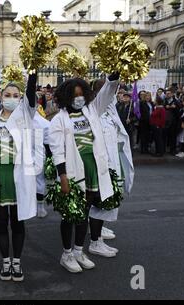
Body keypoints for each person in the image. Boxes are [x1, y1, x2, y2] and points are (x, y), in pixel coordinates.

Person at [49, 72, 119, 274]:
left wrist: (112, 80)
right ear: (66, 97)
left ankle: (79, 251)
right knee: (70, 215)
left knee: (85, 212)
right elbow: (57, 152)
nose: (79, 98)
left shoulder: (91, 111)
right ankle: (67, 253)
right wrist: (63, 178)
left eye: (82, 94)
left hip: (92, 168)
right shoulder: (58, 120)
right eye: (74, 95)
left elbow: (105, 95)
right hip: (72, 171)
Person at [0, 71, 40, 282]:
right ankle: (5, 261)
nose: (11, 98)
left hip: (17, 175)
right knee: (1, 221)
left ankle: (17, 262)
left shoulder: (25, 118)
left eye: (15, 95)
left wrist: (33, 71)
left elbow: (31, 92)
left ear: (21, 99)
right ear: (0, 97)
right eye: (7, 94)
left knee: (18, 221)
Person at [88, 79, 135, 253]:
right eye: (110, 90)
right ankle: (95, 241)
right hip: (101, 164)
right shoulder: (94, 109)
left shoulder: (110, 109)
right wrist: (113, 78)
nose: (114, 93)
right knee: (100, 202)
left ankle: (97, 231)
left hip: (113, 160)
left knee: (105, 201)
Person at [163, 89, 181, 155]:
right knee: (165, 136)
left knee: (173, 136)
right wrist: (165, 107)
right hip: (165, 121)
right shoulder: (164, 101)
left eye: (169, 93)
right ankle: (164, 149)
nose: (167, 95)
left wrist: (175, 108)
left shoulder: (176, 102)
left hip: (173, 122)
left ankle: (172, 150)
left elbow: (179, 112)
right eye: (166, 93)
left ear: (172, 94)